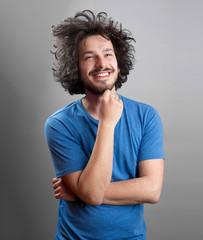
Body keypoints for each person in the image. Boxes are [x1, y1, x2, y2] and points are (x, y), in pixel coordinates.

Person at [44, 10, 164, 240]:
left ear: (119, 62)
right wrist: (107, 123)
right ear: (75, 68)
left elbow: (152, 190)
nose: (101, 63)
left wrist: (80, 192)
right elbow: (92, 193)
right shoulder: (59, 124)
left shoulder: (146, 116)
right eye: (89, 57)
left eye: (108, 54)